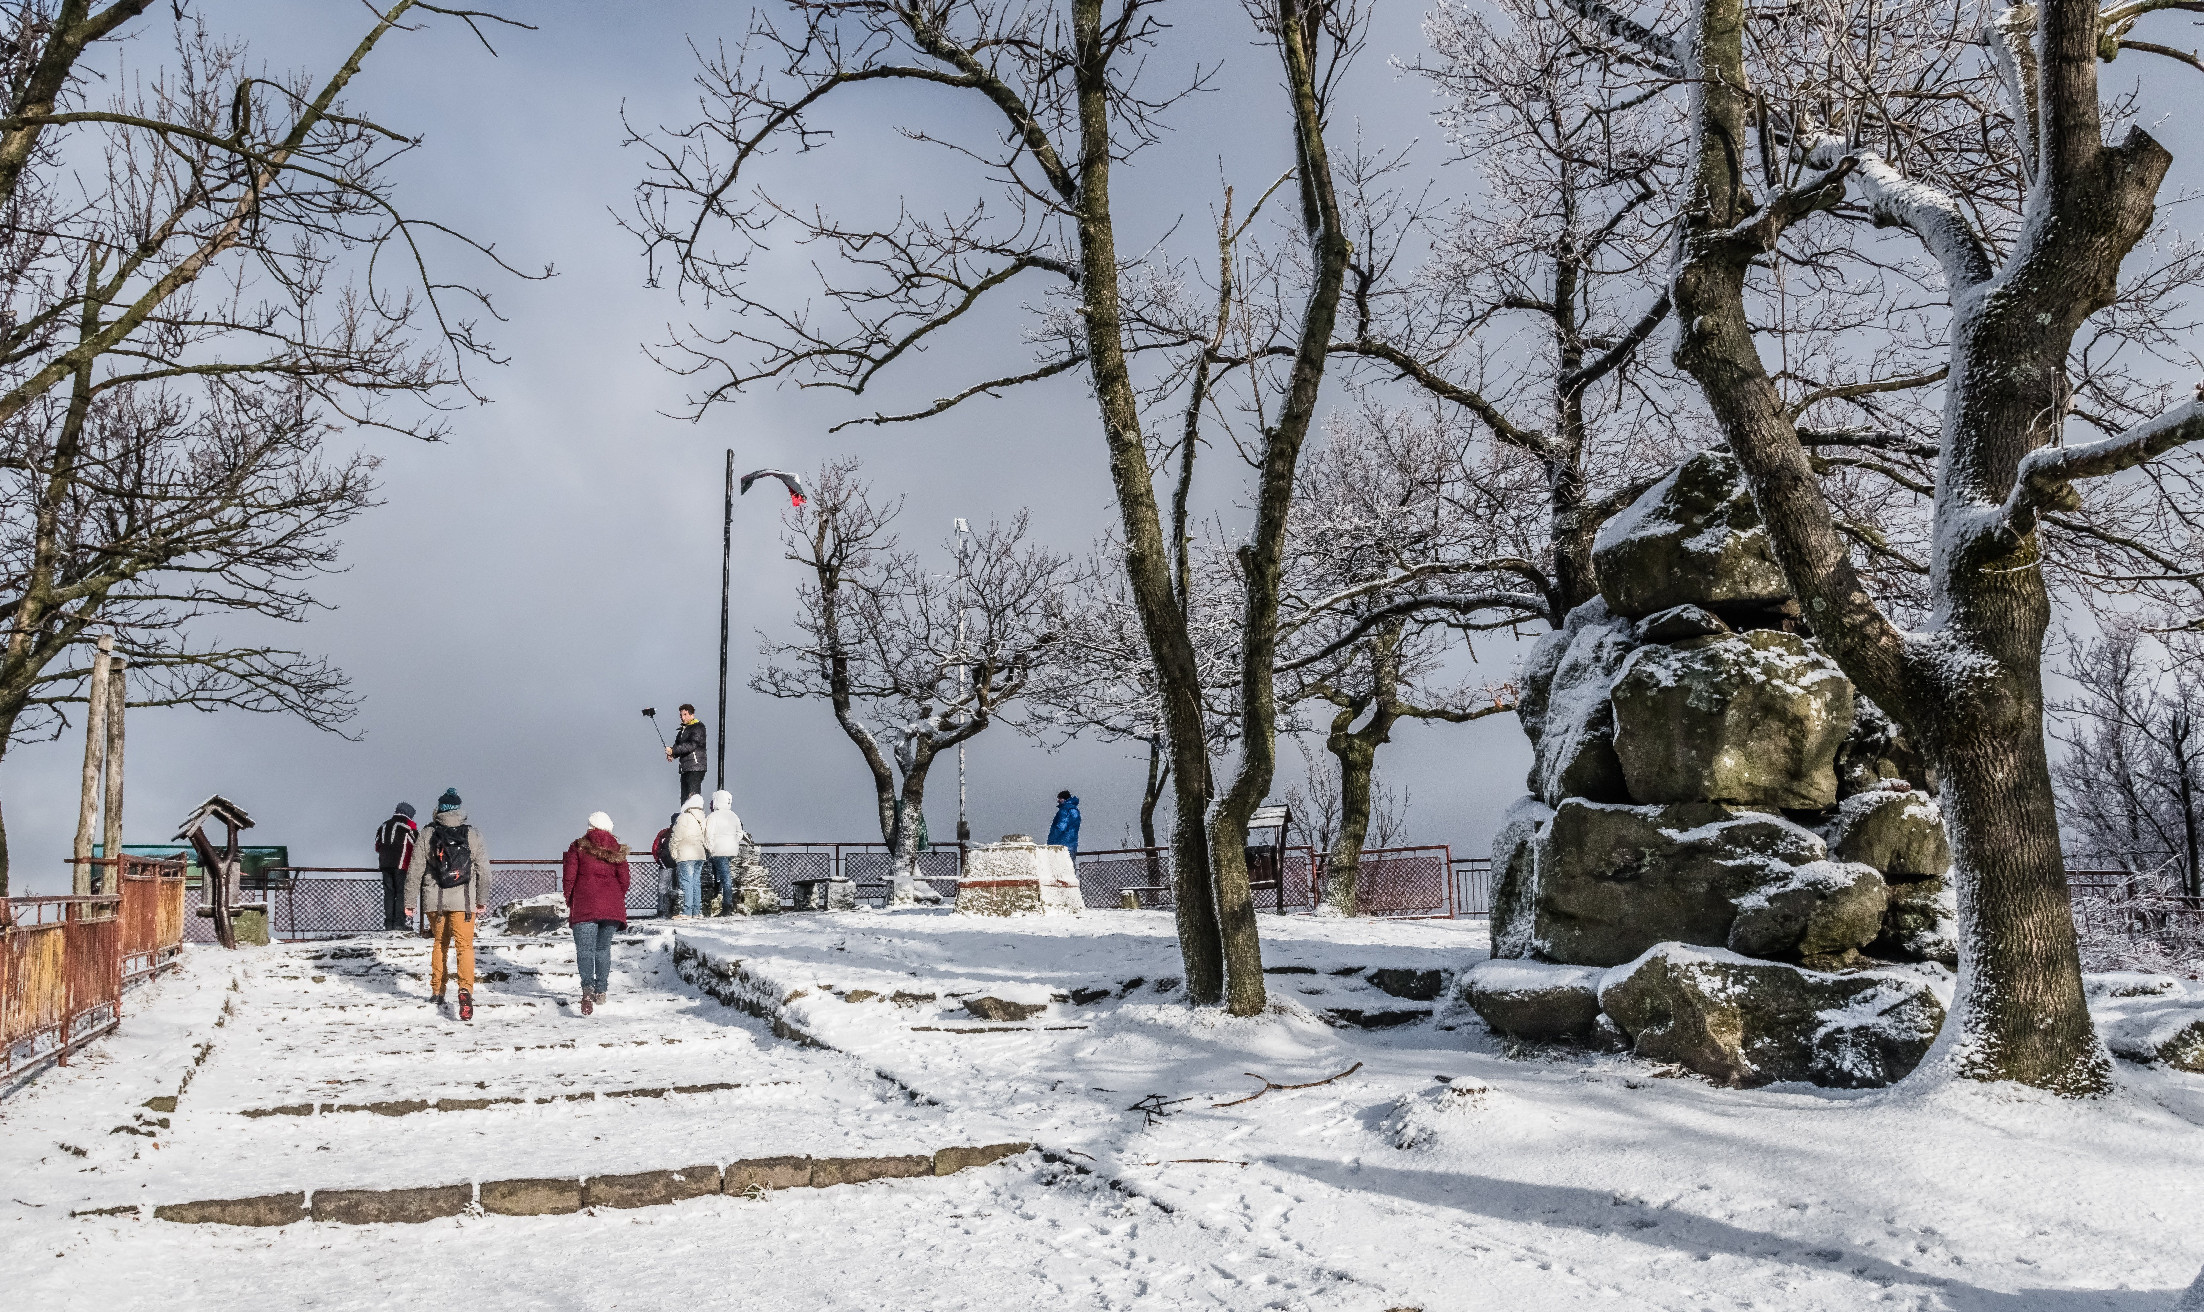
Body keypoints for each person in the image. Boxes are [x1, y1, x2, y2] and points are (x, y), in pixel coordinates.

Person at [403, 787, 489, 1021]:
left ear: (439, 809)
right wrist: (481, 900)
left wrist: (410, 900)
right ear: (459, 809)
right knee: (465, 947)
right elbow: (484, 871)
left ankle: (438, 991)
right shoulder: (472, 833)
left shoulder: (428, 833)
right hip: (465, 901)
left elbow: (415, 870)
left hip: (435, 901)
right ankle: (465, 990)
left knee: (440, 943)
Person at [561, 811, 629, 1015]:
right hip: (611, 907)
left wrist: (570, 899)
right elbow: (625, 881)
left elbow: (569, 877)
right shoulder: (617, 850)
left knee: (585, 950)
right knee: (603, 949)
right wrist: (614, 898)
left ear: (590, 826)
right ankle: (601, 991)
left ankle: (587, 990)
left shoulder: (578, 846)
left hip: (585, 904)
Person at [374, 802, 418, 931]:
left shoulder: (383, 826)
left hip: (384, 865)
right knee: (401, 893)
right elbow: (416, 846)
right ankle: (399, 923)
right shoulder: (407, 828)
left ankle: (389, 924)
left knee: (389, 893)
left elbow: (377, 847)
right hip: (401, 865)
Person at [705, 790, 746, 917]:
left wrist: (710, 848)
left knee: (725, 878)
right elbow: (740, 833)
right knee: (724, 875)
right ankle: (721, 896)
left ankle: (726, 906)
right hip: (731, 851)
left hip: (719, 850)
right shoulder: (734, 816)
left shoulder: (713, 816)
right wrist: (733, 842)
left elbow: (708, 835)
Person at [669, 793, 708, 918]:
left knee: (686, 882)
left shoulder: (684, 817)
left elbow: (677, 836)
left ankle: (686, 912)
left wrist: (673, 850)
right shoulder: (702, 818)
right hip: (699, 853)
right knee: (696, 882)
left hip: (686, 853)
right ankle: (697, 911)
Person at [666, 704, 708, 805]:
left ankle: (695, 818)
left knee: (693, 798)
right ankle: (685, 818)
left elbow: (691, 745)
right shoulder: (683, 730)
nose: (682, 718)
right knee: (685, 800)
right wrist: (672, 754)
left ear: (692, 714)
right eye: (681, 715)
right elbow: (679, 745)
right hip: (685, 768)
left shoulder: (698, 727)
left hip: (696, 767)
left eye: (685, 714)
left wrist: (673, 751)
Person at [1047, 790, 1081, 856]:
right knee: (1069, 864)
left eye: (1059, 798)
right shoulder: (1074, 809)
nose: (1058, 800)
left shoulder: (1065, 809)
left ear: (1064, 799)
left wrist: (1051, 843)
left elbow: (1061, 827)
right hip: (1072, 844)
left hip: (1060, 844)